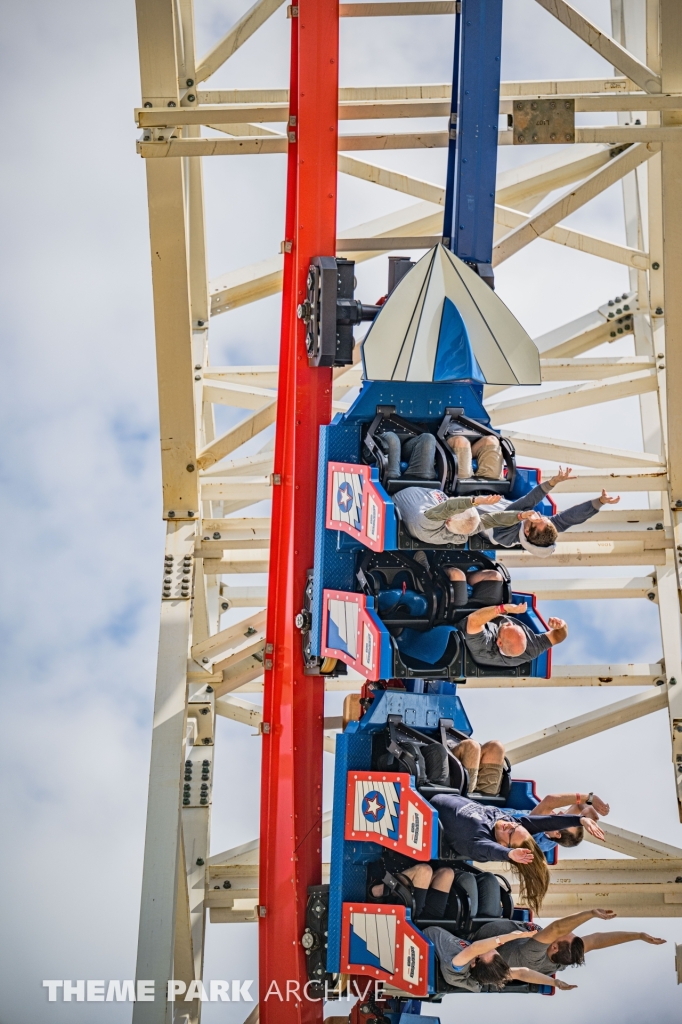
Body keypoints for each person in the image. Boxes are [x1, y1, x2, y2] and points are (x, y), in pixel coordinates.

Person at [428, 793, 605, 913]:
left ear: (506, 845)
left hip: (424, 807)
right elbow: (547, 822)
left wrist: (508, 855)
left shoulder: (481, 842)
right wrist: (581, 819)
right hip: (440, 791)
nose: (510, 825)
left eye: (511, 833)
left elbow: (492, 850)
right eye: (516, 826)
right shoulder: (509, 822)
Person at [477, 465, 621, 557]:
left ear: (527, 532)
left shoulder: (505, 536)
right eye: (544, 518)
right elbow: (570, 518)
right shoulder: (541, 528)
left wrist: (551, 483)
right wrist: (599, 502)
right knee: (492, 444)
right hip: (486, 492)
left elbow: (525, 503)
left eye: (538, 520)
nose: (538, 514)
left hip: (463, 505)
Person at [473, 908, 666, 977]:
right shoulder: (559, 961)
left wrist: (590, 913)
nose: (569, 931)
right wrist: (638, 935)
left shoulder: (534, 955)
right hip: (498, 921)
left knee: (484, 881)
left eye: (568, 933)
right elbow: (597, 940)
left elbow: (557, 928)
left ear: (554, 946)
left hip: (477, 931)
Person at [422, 926, 578, 993]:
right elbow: (523, 973)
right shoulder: (485, 972)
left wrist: (513, 936)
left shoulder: (457, 968)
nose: (488, 947)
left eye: (487, 951)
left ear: (474, 961)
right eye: (495, 952)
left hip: (417, 935)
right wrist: (553, 982)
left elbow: (476, 947)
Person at [462, 599, 567, 669]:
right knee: (495, 577)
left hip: (467, 616)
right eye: (515, 625)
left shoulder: (484, 647)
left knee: (458, 575)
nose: (509, 622)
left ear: (499, 642)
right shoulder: (531, 649)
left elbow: (473, 621)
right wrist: (561, 626)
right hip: (489, 613)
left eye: (508, 626)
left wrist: (504, 609)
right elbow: (557, 637)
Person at [392, 488, 508, 546]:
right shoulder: (460, 533)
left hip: (398, 494)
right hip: (425, 494)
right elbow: (485, 522)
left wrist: (476, 501)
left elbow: (450, 506)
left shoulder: (428, 522)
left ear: (449, 518)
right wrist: (520, 516)